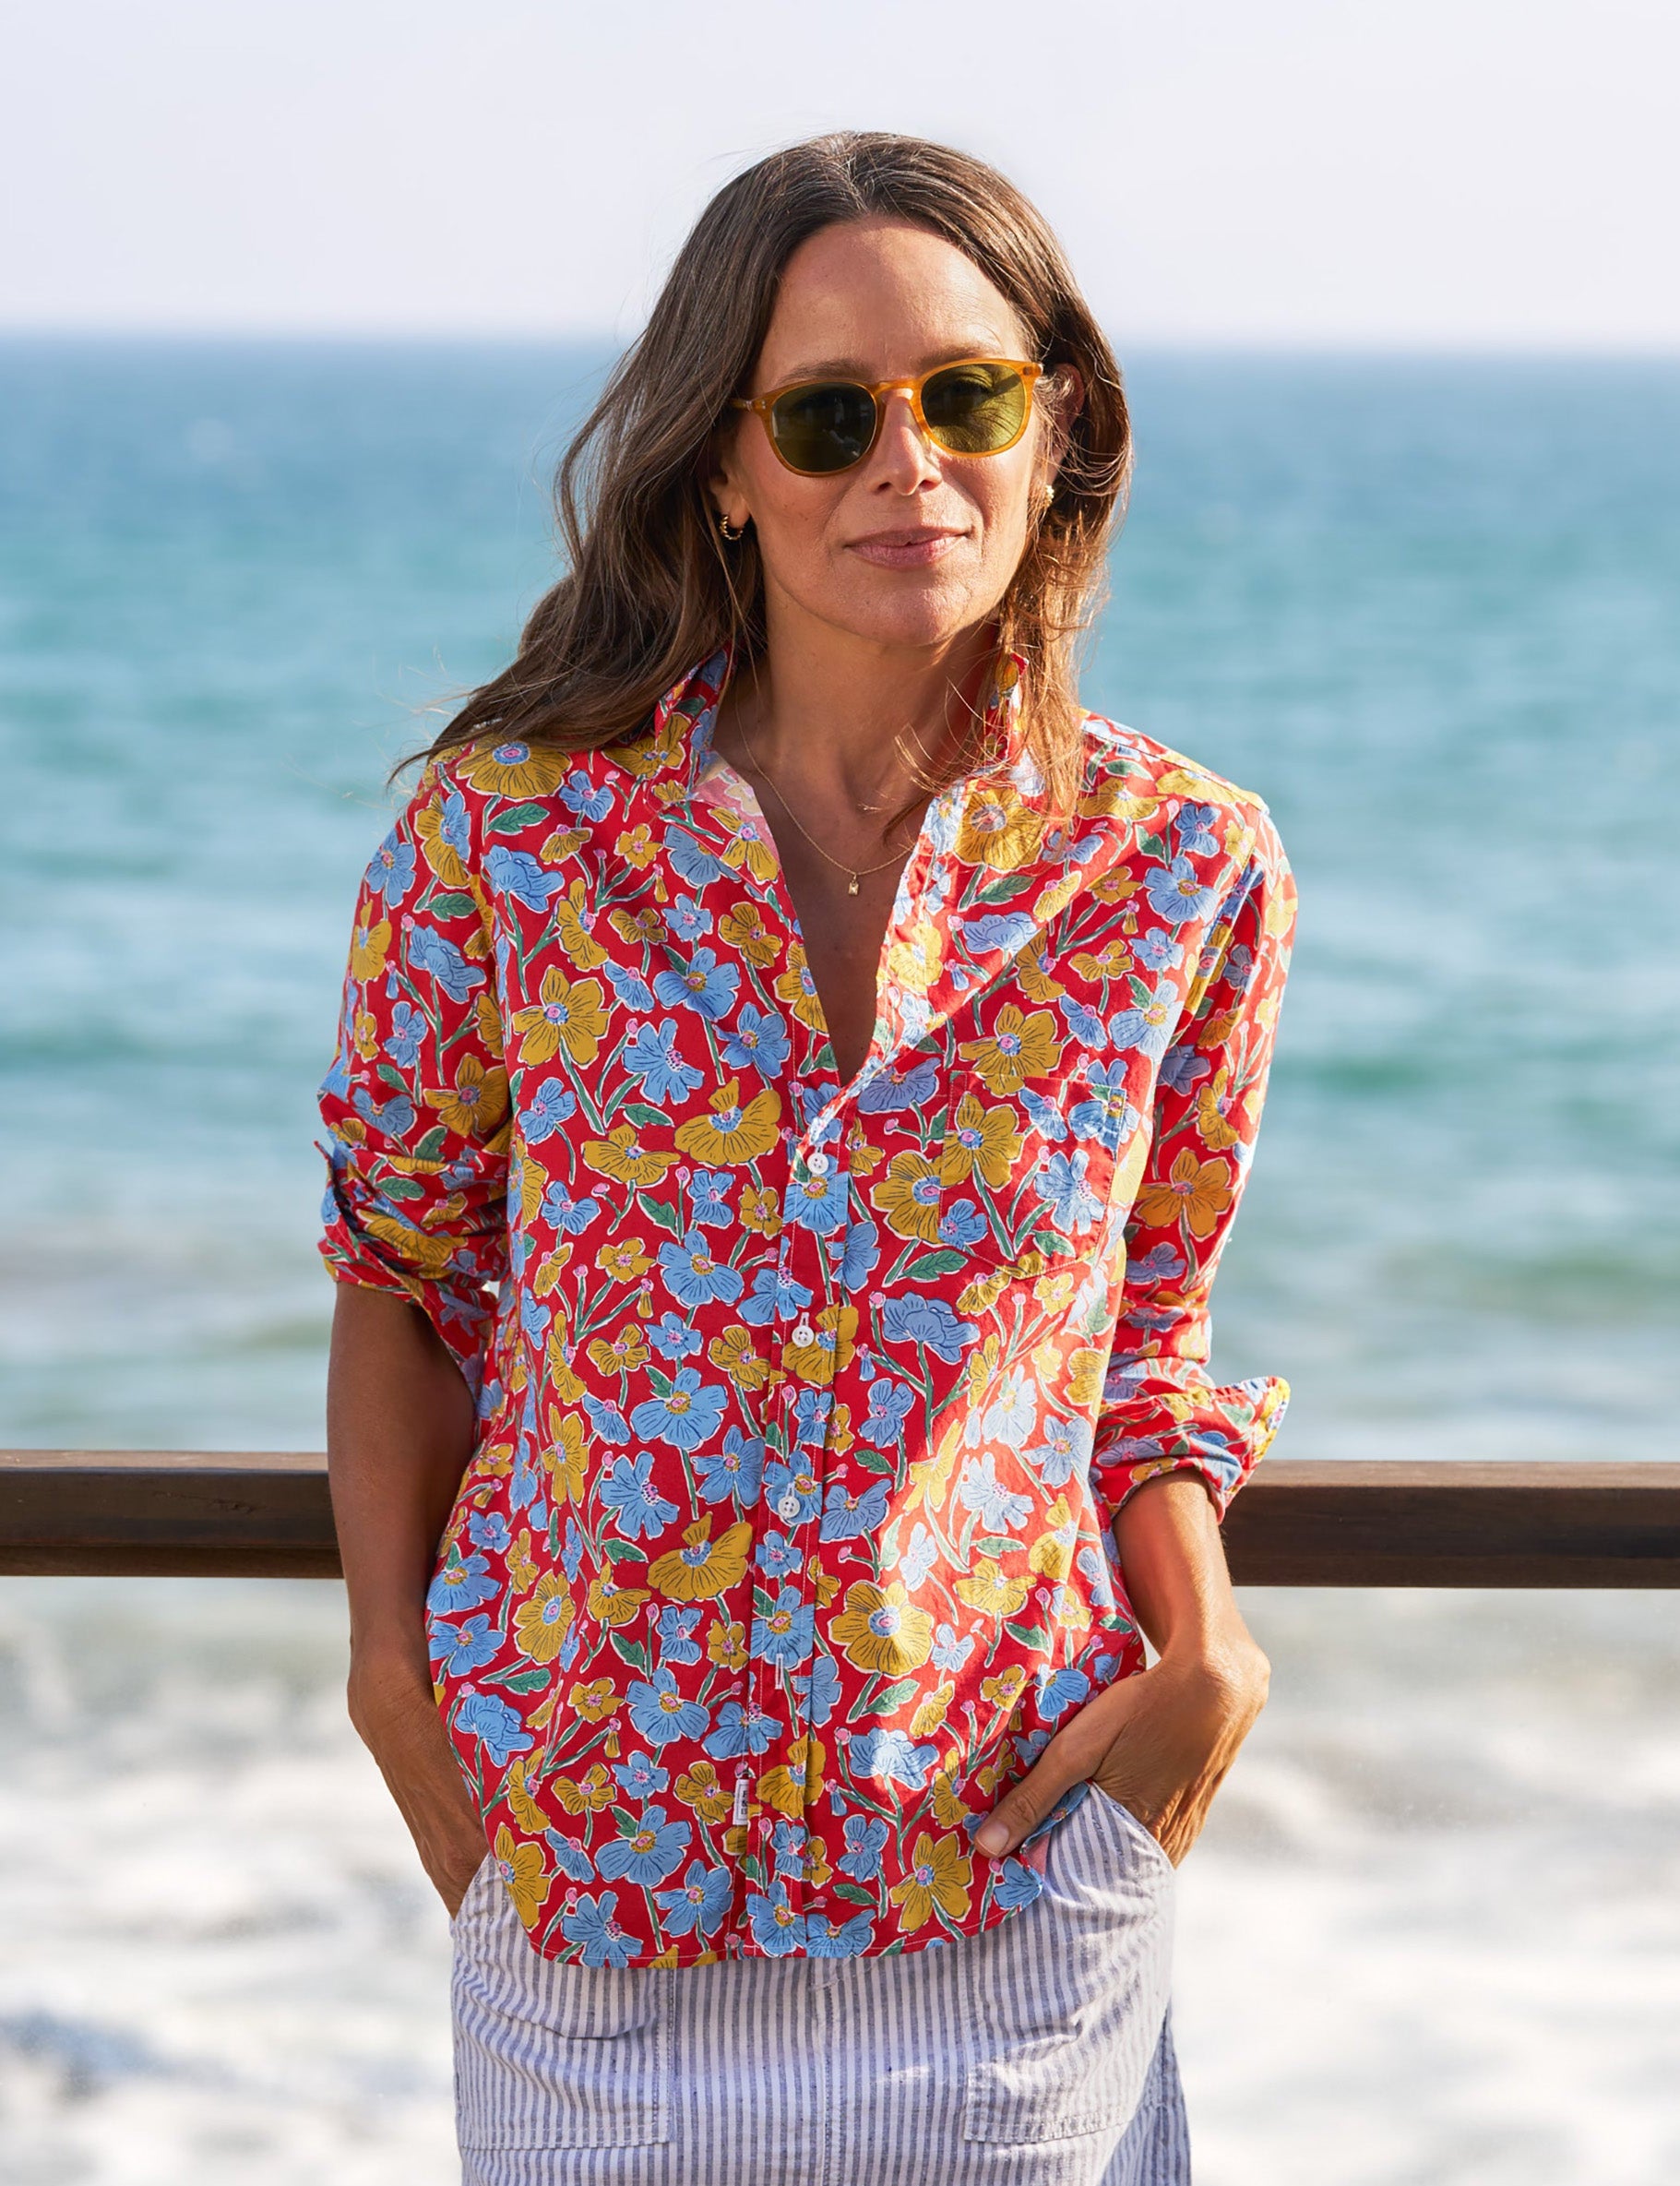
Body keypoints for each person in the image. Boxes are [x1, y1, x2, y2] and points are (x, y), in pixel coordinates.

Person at [317, 130, 1296, 2184]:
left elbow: (1146, 1331)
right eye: (829, 415)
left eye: (966, 397)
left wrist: (1200, 1654)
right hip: (588, 1885)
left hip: (1005, 1883)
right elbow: (404, 1271)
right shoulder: (505, 840)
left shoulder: (1181, 868)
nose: (905, 464)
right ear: (721, 467)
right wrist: (396, 1688)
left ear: (1054, 427)